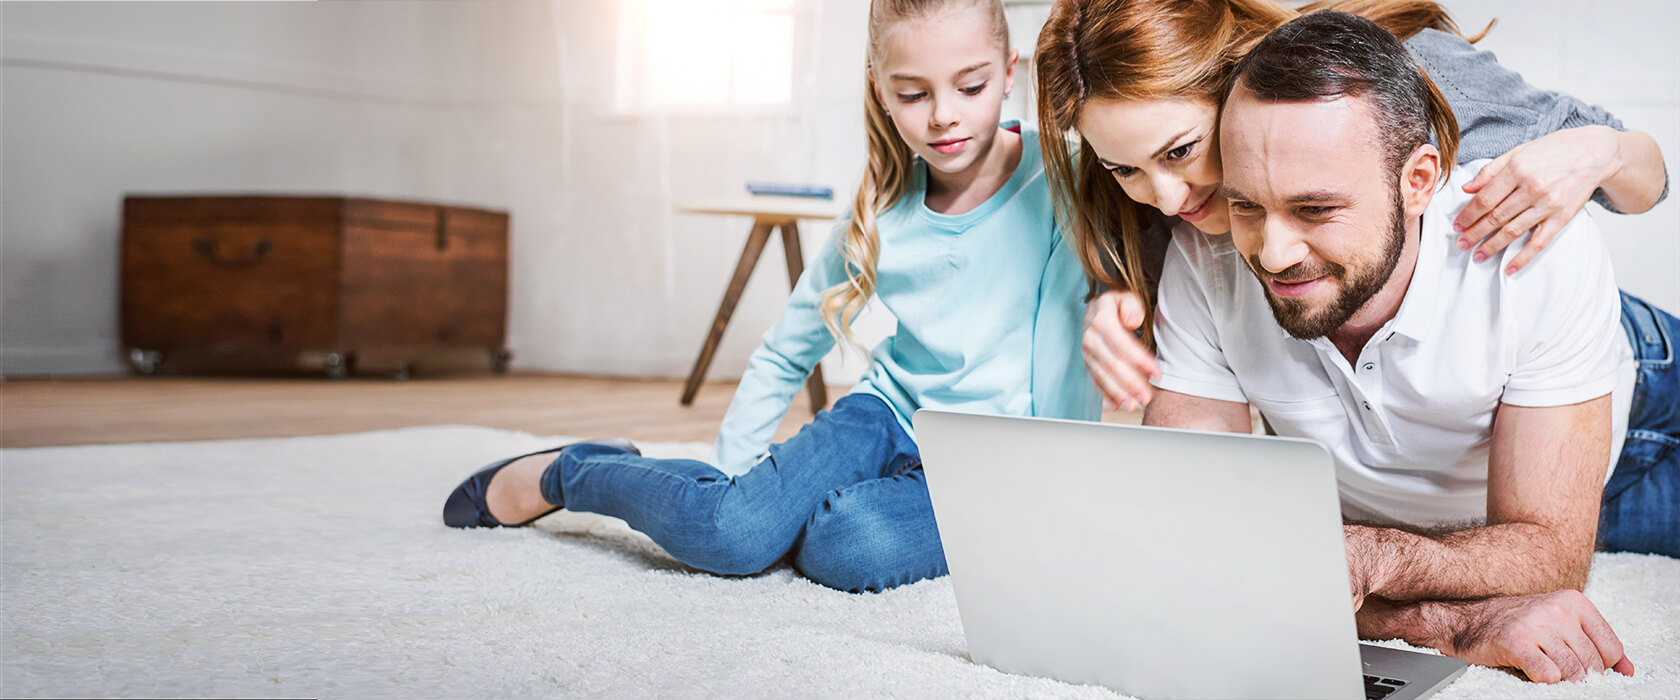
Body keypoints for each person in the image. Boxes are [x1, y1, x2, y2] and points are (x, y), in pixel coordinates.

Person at [442, 0, 1097, 594]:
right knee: (732, 536)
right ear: (881, 90)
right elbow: (787, 353)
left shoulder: (1066, 175)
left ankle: (818, 512)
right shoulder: (877, 215)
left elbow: (1086, 328)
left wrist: (1056, 493)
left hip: (990, 462)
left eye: (971, 85)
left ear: (1010, 72)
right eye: (913, 93)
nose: (944, 114)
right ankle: (570, 472)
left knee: (847, 545)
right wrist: (726, 491)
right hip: (883, 417)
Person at [1146, 9, 1678, 682]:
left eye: (1315, 210)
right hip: (1472, 520)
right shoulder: (1208, 253)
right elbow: (1182, 538)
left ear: (1419, 181)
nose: (1273, 254)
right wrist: (1435, 620)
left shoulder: (1534, 247)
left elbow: (1551, 554)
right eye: (1248, 205)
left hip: (1642, 426)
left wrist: (1376, 559)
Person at [1033, 0, 1668, 415]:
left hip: (1637, 367)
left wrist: (1599, 152)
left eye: (1182, 151)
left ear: (1233, 77)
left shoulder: (1395, 85)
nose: (1168, 199)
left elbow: (1651, 181)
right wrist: (1111, 291)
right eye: (1125, 169)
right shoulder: (1160, 178)